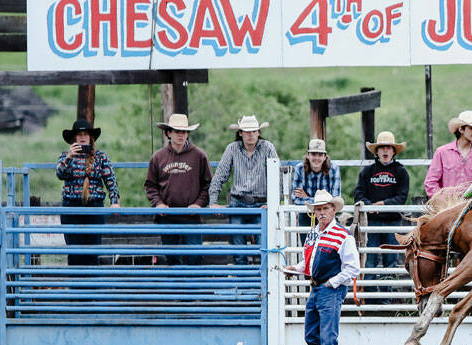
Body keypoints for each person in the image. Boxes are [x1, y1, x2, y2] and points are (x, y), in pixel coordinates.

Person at [285, 190, 367, 345]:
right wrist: (296, 268)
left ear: (333, 210)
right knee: (312, 337)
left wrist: (332, 282)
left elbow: (353, 268)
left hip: (330, 289)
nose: (321, 212)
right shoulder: (313, 233)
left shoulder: (343, 236)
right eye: (318, 209)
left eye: (325, 208)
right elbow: (310, 262)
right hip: (317, 287)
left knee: (327, 340)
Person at [209, 115, 279, 265]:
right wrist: (213, 201)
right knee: (238, 249)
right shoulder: (232, 148)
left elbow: (276, 176)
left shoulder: (268, 147)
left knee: (263, 248)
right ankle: (242, 284)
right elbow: (220, 175)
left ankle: (262, 286)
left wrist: (273, 203)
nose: (250, 134)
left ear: (258, 132)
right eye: (247, 131)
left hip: (261, 204)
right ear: (240, 133)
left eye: (253, 131)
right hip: (238, 203)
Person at [144, 113, 212, 266]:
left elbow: (208, 185)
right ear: (169, 133)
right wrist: (158, 203)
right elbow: (150, 185)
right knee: (172, 257)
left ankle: (194, 290)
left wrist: (199, 204)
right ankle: (174, 289)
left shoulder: (199, 156)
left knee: (195, 256)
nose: (181, 135)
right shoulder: (158, 157)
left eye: (184, 131)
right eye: (177, 131)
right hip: (167, 215)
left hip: (192, 216)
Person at [354, 131, 410, 301]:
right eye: (381, 148)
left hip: (392, 221)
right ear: (376, 151)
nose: (385, 151)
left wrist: (384, 204)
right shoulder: (367, 171)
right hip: (371, 222)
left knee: (390, 261)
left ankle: (386, 298)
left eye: (388, 148)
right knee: (369, 260)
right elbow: (358, 193)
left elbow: (402, 197)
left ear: (393, 151)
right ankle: (370, 298)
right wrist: (369, 205)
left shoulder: (401, 172)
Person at [56, 119, 120, 266]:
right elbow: (60, 174)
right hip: (71, 207)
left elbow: (110, 180)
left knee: (93, 251)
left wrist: (115, 201)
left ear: (91, 137)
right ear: (74, 138)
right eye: (79, 135)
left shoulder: (101, 157)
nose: (83, 137)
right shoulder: (65, 156)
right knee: (74, 251)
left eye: (86, 134)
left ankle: (92, 287)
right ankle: (76, 288)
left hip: (94, 207)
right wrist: (69, 157)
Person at [424, 110, 472, 198]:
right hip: (447, 206)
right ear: (461, 129)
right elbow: (430, 182)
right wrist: (442, 201)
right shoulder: (442, 152)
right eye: (471, 128)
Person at [290, 138, 341, 235]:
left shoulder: (334, 169)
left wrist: (307, 198)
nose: (316, 158)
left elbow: (335, 198)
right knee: (307, 245)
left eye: (320, 155)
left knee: (329, 245)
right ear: (308, 155)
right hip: (306, 214)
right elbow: (296, 198)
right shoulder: (299, 169)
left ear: (325, 157)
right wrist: (323, 201)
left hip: (327, 214)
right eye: (313, 154)